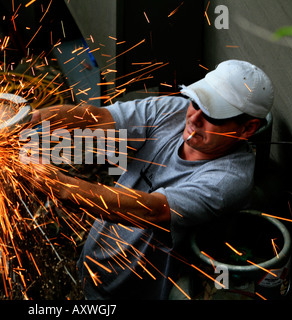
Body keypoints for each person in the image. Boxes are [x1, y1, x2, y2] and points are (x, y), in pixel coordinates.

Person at [29, 59, 274, 299]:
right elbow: (96, 118)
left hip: (132, 289)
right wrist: (31, 121)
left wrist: (57, 185)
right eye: (196, 102)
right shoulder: (173, 111)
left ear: (247, 128)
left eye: (213, 115)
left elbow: (149, 211)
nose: (194, 118)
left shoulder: (227, 180)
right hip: (93, 265)